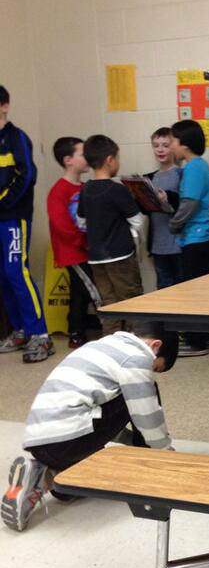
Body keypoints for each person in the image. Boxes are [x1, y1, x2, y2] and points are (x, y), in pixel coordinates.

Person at [1, 323, 178, 532]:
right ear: (155, 346)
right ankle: (149, 463)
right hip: (69, 438)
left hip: (42, 438)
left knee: (74, 487)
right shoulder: (136, 358)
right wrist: (166, 454)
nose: (150, 370)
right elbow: (145, 414)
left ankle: (49, 475)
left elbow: (105, 416)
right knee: (143, 393)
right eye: (154, 367)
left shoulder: (101, 346)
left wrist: (127, 440)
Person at [0, 85, 54, 363]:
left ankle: (40, 335)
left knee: (16, 271)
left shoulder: (16, 137)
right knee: (3, 276)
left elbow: (27, 175)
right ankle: (20, 330)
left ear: (5, 106)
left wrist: (5, 201)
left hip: (12, 216)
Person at [77, 135, 144, 334]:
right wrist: (128, 233)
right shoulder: (118, 190)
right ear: (109, 160)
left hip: (96, 258)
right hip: (121, 255)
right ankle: (135, 339)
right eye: (117, 157)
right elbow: (138, 221)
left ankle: (110, 341)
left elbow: (81, 221)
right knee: (132, 299)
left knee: (108, 303)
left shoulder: (85, 189)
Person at [168, 119, 209, 356]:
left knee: (193, 292)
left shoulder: (193, 167)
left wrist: (174, 224)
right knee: (206, 288)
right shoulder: (198, 165)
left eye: (172, 140)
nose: (170, 145)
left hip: (197, 237)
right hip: (207, 236)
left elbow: (190, 203)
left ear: (184, 145)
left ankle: (195, 340)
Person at [47, 136, 101, 348]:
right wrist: (84, 243)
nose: (87, 157)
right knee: (92, 290)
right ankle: (91, 330)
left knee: (80, 293)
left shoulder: (85, 187)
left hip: (88, 250)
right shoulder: (58, 191)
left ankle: (77, 331)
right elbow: (63, 226)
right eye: (82, 153)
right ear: (68, 160)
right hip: (74, 253)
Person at [143, 127, 183, 290]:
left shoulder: (182, 174)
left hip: (178, 244)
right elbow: (146, 211)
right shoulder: (150, 178)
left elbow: (185, 204)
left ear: (174, 147)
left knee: (182, 289)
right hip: (158, 245)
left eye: (165, 145)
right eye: (156, 145)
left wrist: (169, 198)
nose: (160, 149)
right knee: (163, 288)